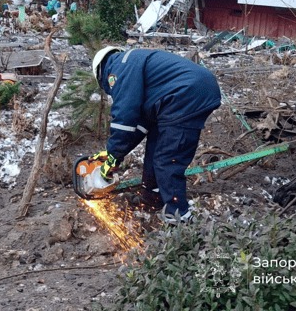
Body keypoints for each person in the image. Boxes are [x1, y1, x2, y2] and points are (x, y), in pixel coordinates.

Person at [90, 47, 222, 223]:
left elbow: (125, 117)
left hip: (187, 93)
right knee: (154, 146)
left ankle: (180, 217)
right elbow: (137, 126)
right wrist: (113, 153)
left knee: (168, 157)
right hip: (185, 93)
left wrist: (114, 156)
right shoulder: (130, 64)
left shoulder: (119, 69)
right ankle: (152, 197)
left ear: (101, 75)